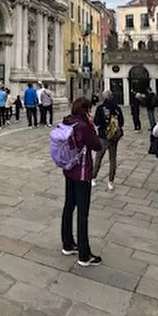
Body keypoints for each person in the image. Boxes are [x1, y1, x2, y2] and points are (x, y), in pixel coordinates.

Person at [60, 97, 102, 266]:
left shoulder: (67, 122)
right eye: (89, 110)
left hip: (69, 170)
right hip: (82, 173)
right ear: (85, 110)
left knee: (69, 206)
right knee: (83, 213)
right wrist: (91, 125)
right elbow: (97, 145)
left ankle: (68, 244)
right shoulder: (84, 127)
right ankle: (84, 255)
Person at [92, 90, 124, 190]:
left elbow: (96, 123)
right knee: (112, 159)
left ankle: (93, 177)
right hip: (114, 137)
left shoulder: (100, 108)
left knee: (99, 157)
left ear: (104, 98)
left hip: (103, 136)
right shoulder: (117, 108)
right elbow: (121, 122)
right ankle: (111, 181)